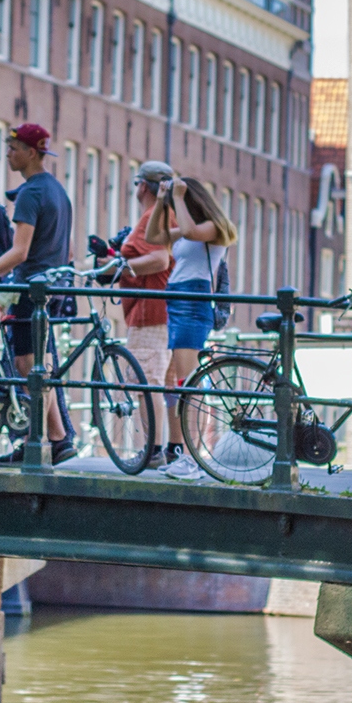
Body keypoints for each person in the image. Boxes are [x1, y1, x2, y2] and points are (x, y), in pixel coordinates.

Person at [0, 123, 76, 466]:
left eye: (13, 147)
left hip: (30, 287)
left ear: (31, 152)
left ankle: (38, 442)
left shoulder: (31, 193)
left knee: (27, 366)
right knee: (38, 364)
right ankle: (57, 438)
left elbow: (18, 251)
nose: (7, 153)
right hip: (52, 286)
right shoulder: (57, 191)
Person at [145, 175, 238, 480]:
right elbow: (153, 236)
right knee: (174, 382)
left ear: (193, 200)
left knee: (189, 385)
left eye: (178, 202)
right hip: (177, 302)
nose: (174, 207)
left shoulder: (211, 229)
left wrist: (180, 197)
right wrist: (160, 201)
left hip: (193, 303)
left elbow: (188, 229)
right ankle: (182, 452)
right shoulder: (189, 232)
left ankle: (193, 460)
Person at [107, 161, 174, 469]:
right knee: (157, 382)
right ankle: (163, 449)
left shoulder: (152, 216)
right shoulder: (162, 216)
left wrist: (125, 266)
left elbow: (160, 259)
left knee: (147, 382)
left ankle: (153, 451)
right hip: (153, 310)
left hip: (150, 311)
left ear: (143, 186)